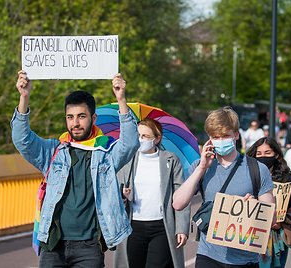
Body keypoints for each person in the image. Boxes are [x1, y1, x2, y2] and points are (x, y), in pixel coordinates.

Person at [11, 71, 139, 267]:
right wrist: (24, 97)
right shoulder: (54, 151)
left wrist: (121, 98)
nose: (75, 123)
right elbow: (22, 139)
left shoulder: (105, 152)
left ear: (93, 118)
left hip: (89, 247)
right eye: (70, 117)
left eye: (81, 116)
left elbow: (130, 143)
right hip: (53, 245)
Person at [173, 106, 275, 268]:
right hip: (209, 255)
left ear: (236, 134)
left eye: (225, 136)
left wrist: (254, 206)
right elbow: (178, 203)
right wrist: (201, 168)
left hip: (245, 259)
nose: (220, 141)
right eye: (215, 137)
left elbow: (272, 220)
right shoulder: (200, 166)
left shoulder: (257, 169)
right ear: (209, 138)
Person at [114, 118, 190, 268]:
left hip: (161, 227)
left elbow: (181, 195)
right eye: (138, 136)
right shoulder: (126, 160)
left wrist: (182, 228)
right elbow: (113, 190)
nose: (140, 139)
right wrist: (122, 193)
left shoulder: (171, 160)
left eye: (145, 136)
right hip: (132, 227)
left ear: (157, 139)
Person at [246, 137, 291, 268]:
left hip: (276, 239)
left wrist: (281, 222)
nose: (263, 157)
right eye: (259, 154)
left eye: (267, 153)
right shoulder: (246, 177)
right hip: (250, 235)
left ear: (276, 155)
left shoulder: (286, 180)